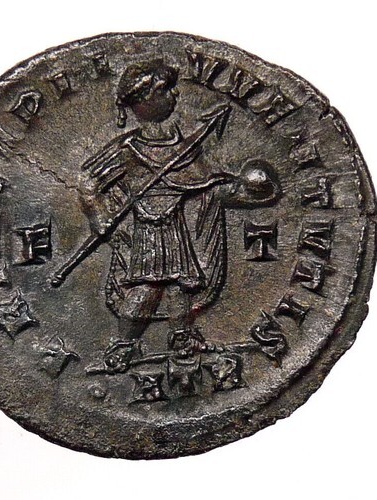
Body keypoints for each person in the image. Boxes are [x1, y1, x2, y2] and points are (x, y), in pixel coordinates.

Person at [78, 60, 281, 373]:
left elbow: (202, 181)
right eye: (166, 90)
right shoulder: (129, 149)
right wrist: (96, 214)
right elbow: (88, 182)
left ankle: (182, 338)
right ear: (145, 100)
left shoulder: (183, 146)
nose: (175, 95)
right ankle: (123, 346)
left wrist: (243, 187)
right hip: (149, 228)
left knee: (180, 286)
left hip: (175, 226)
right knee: (148, 287)